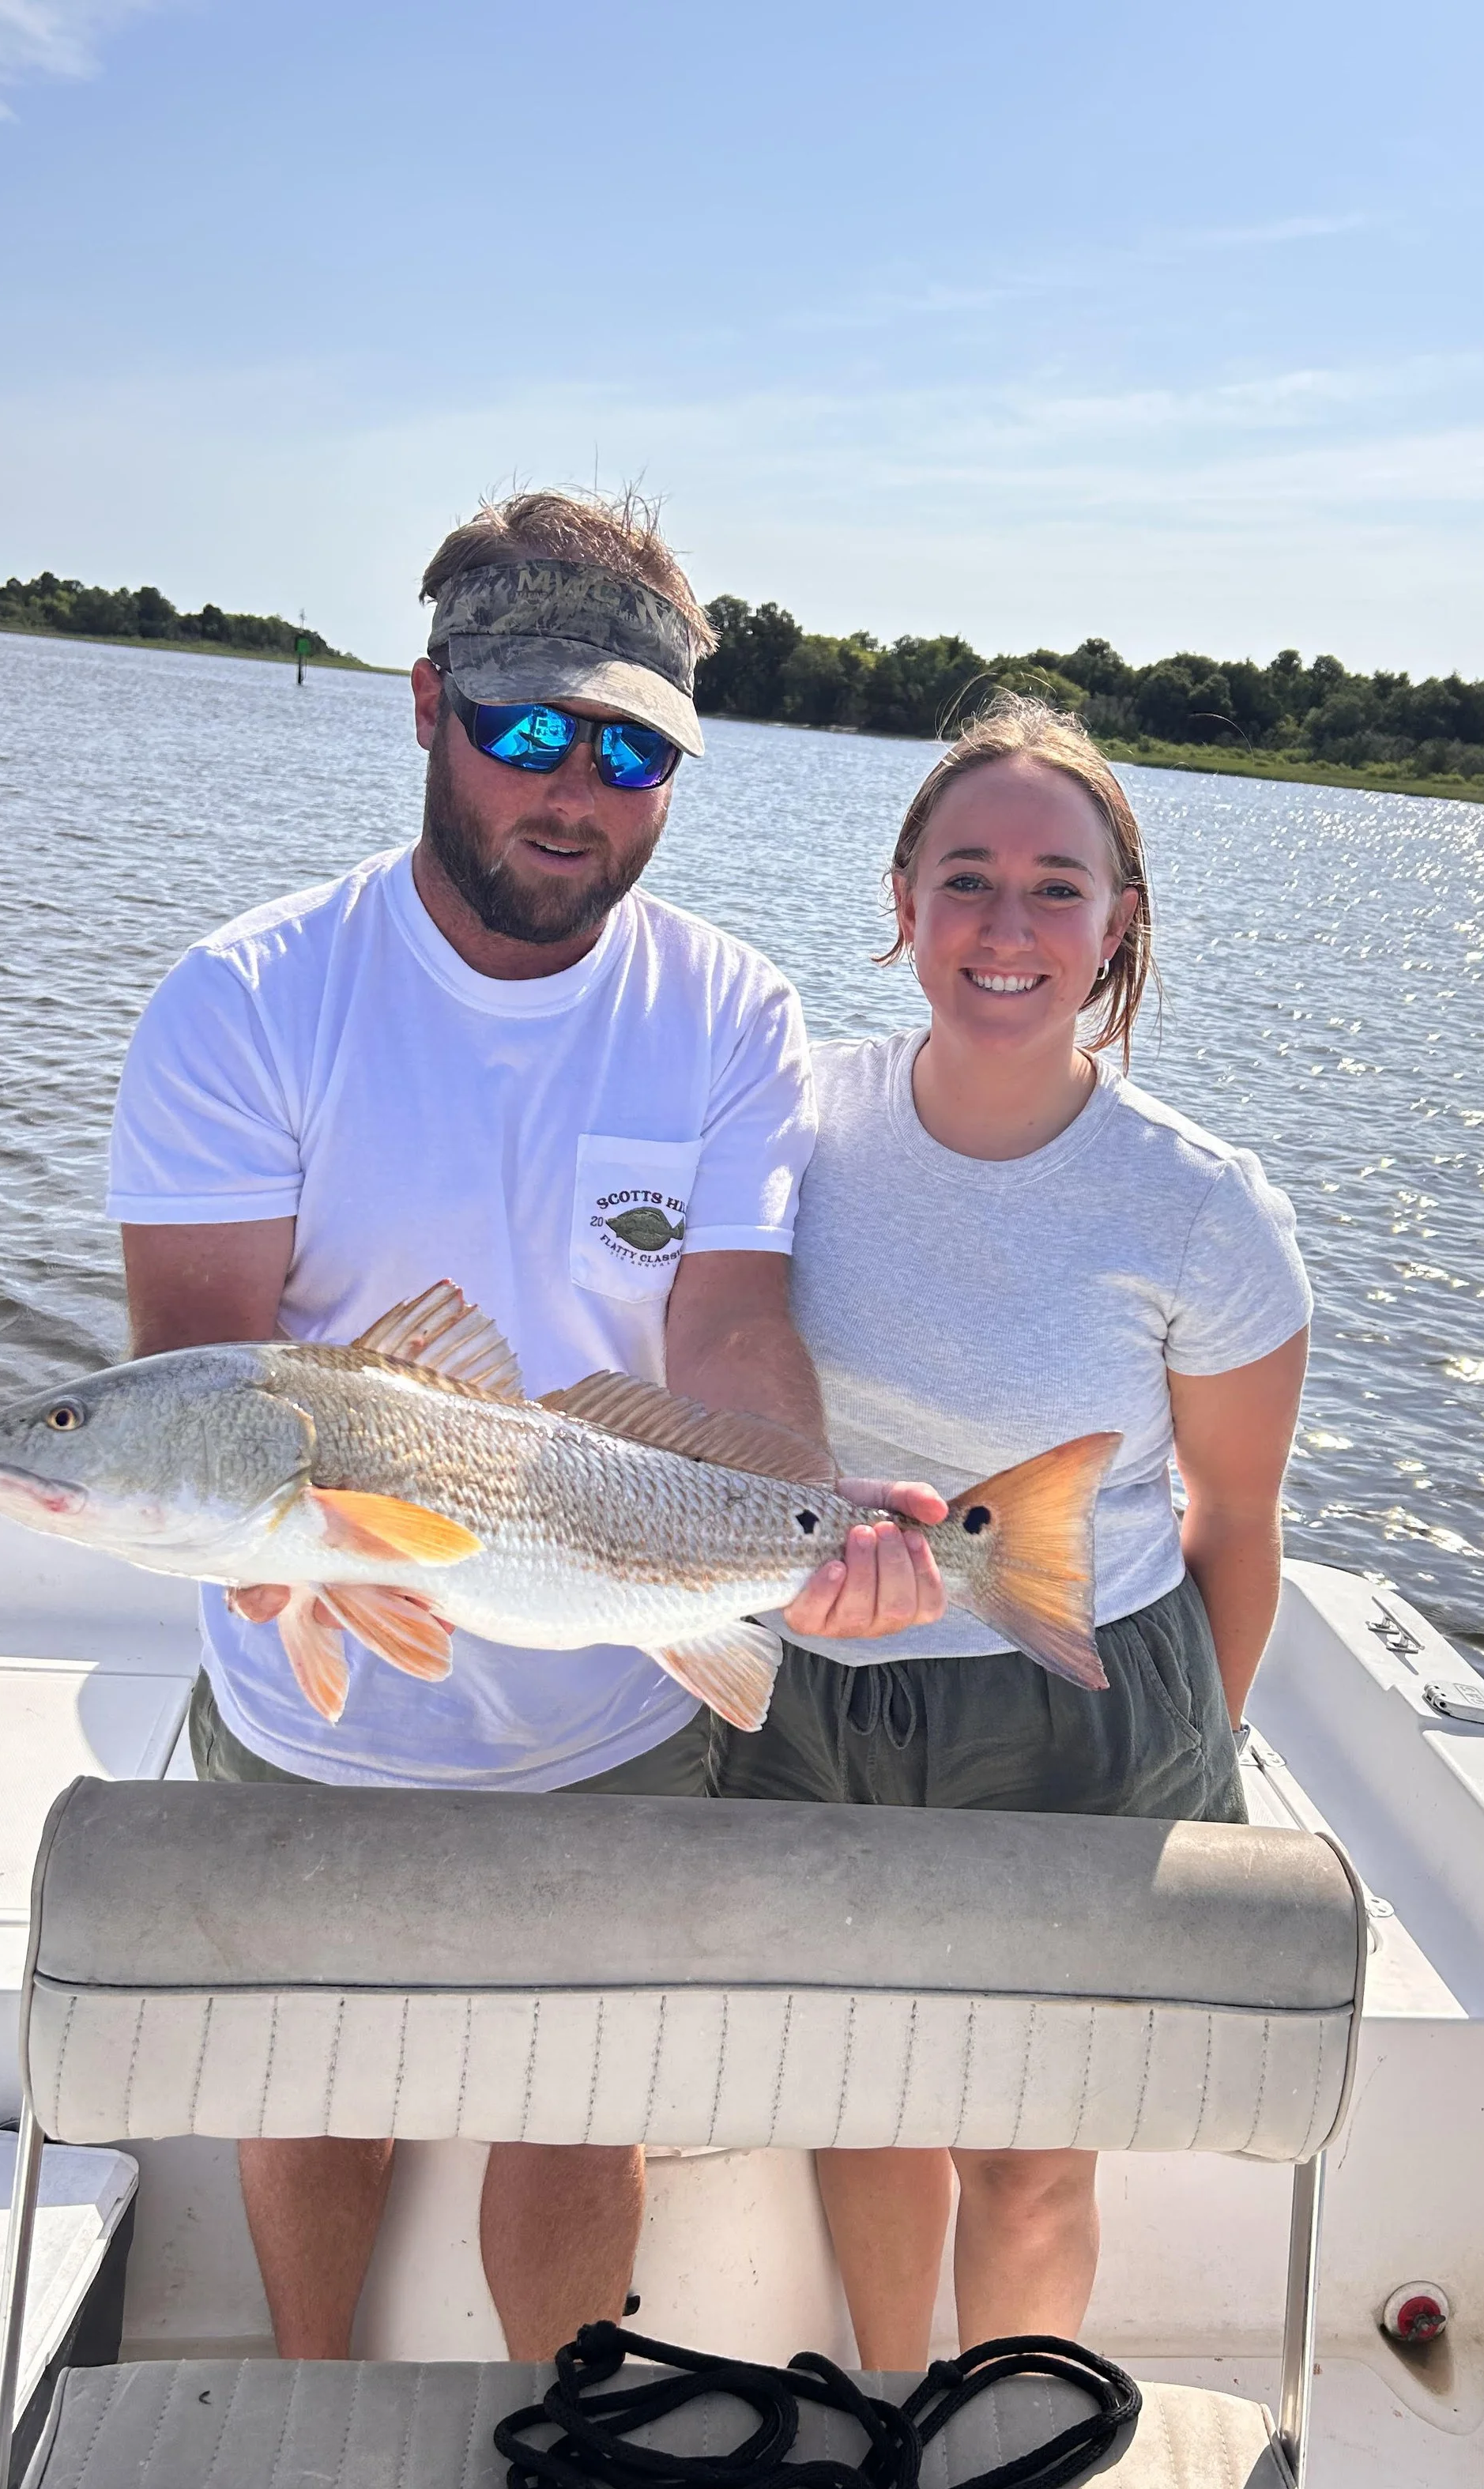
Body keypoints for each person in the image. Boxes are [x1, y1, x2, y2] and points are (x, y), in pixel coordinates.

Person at [107, 489, 944, 2362]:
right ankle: (314, 2402)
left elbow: (724, 1322)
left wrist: (808, 1534)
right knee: (315, 2087)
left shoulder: (731, 1010)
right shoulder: (245, 1002)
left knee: (579, 2107)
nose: (574, 788)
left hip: (618, 1687)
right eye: (528, 730)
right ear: (426, 708)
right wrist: (308, 1588)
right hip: (309, 1704)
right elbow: (200, 1386)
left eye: (632, 749)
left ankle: (552, 2432)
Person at [715, 696, 1312, 2370]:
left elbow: (1236, 1523)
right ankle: (885, 2412)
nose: (1006, 924)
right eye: (964, 876)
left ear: (1118, 922)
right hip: (811, 1685)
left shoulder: (1203, 1207)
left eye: (1058, 886)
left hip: (1087, 1709)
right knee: (860, 2098)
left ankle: (987, 2442)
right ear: (897, 896)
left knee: (1034, 2150)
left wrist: (1186, 1759)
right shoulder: (785, 1126)